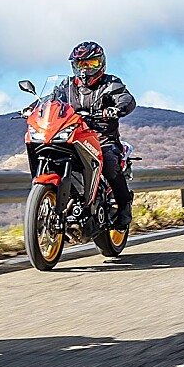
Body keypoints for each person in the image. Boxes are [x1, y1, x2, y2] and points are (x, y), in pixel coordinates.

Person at [58, 41, 137, 230]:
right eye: (81, 64)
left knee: (109, 164)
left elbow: (126, 99)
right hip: (74, 136)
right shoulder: (66, 86)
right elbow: (51, 100)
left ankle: (124, 206)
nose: (85, 69)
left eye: (91, 64)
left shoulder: (110, 83)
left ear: (101, 63)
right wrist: (33, 108)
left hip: (102, 138)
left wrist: (117, 109)